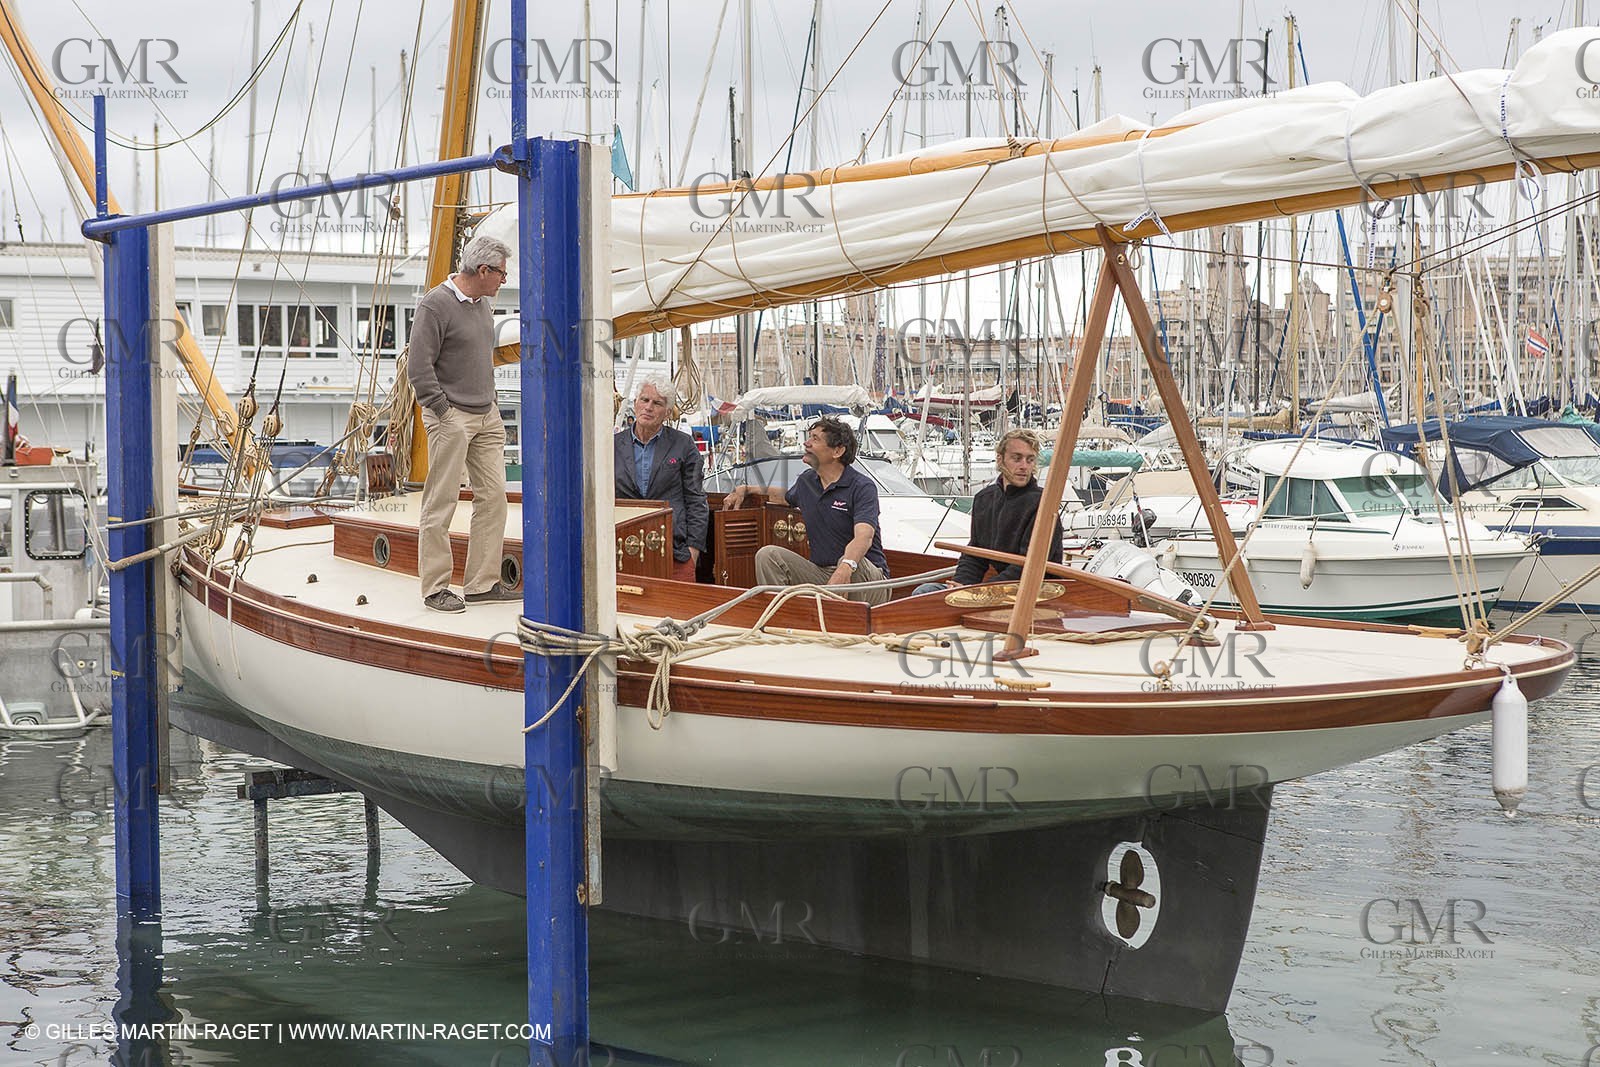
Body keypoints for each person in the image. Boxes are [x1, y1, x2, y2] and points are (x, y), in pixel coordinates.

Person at [405, 234, 516, 613]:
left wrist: (492, 403)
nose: (505, 279)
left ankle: (482, 583)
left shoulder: (483, 304)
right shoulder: (435, 306)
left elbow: (480, 359)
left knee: (494, 497)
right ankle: (435, 588)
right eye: (501, 272)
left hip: (486, 414)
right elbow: (417, 367)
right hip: (451, 416)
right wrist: (443, 410)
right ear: (482, 270)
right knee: (441, 501)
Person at [722, 416, 891, 606]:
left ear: (838, 451)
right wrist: (747, 489)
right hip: (824, 573)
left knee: (852, 561)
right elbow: (784, 497)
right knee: (768, 555)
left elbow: (864, 537)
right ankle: (782, 621)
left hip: (869, 579)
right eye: (809, 437)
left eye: (815, 439)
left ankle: (849, 624)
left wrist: (845, 567)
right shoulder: (807, 482)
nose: (806, 443)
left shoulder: (861, 486)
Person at [915, 428, 1064, 595]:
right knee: (925, 592)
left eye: (1030, 460)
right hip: (996, 589)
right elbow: (975, 554)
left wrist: (979, 591)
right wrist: (961, 584)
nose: (1024, 466)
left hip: (1037, 593)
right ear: (1000, 460)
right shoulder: (984, 499)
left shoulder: (1043, 503)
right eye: (1017, 458)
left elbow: (1029, 567)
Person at [614, 379, 708, 582]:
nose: (648, 407)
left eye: (657, 403)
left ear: (667, 412)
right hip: (621, 551)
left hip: (674, 553)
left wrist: (694, 551)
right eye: (644, 400)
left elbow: (696, 500)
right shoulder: (612, 445)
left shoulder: (684, 445)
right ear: (635, 403)